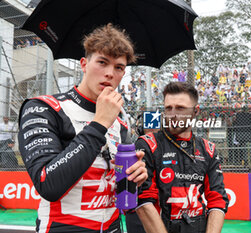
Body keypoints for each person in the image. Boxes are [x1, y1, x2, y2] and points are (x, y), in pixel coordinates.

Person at [17, 23, 148, 233]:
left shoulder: (122, 122)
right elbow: (48, 184)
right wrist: (99, 124)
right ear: (84, 64)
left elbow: (120, 186)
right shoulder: (44, 108)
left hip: (113, 227)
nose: (109, 73)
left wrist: (136, 176)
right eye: (102, 62)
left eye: (118, 67)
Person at [135, 82, 229, 233]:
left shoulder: (208, 149)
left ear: (195, 111)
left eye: (180, 108)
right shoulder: (148, 144)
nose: (173, 114)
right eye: (168, 108)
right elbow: (144, 200)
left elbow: (217, 199)